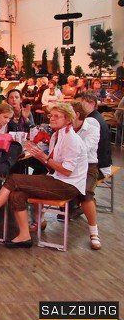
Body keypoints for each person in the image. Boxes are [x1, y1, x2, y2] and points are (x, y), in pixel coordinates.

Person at [0, 103, 88, 248]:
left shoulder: (71, 139)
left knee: (13, 179)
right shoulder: (57, 135)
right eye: (51, 115)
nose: (52, 118)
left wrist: (43, 158)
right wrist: (39, 156)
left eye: (56, 116)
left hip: (69, 185)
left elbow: (67, 171)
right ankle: (24, 236)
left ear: (68, 119)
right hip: (58, 179)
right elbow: (53, 166)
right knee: (17, 194)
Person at [70, 101, 102, 250]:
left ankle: (94, 233)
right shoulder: (66, 129)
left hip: (89, 167)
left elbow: (84, 149)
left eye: (67, 115)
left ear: (76, 115)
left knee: (85, 193)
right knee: (45, 180)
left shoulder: (92, 128)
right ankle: (40, 219)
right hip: (69, 166)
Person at [80, 92, 112, 179]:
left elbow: (84, 149)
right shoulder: (96, 116)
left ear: (92, 103)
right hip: (104, 164)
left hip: (98, 168)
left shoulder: (91, 121)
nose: (80, 107)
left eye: (82, 103)